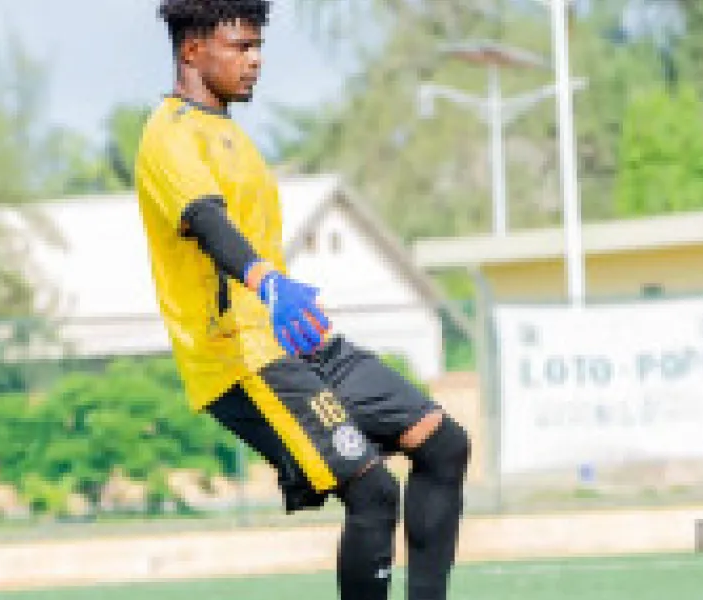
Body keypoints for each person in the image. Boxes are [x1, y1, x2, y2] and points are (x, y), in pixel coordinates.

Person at [135, 2, 470, 598]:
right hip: (239, 358)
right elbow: (208, 223)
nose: (256, 60)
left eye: (258, 46)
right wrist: (268, 283)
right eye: (240, 47)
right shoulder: (169, 136)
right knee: (372, 492)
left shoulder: (230, 133)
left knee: (442, 444)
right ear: (192, 50)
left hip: (294, 342)